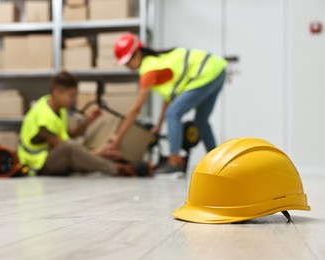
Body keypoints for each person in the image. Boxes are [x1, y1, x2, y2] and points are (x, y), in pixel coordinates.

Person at [108, 33, 227, 174]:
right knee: (201, 121)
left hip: (206, 73)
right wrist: (158, 127)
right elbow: (169, 99)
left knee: (174, 114)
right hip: (218, 70)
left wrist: (118, 138)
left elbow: (136, 109)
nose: (127, 66)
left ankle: (174, 162)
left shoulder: (148, 70)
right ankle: (218, 163)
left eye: (128, 61)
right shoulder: (157, 61)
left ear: (138, 53)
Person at [17, 71, 150, 177]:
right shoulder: (43, 116)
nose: (74, 100)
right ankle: (117, 170)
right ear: (57, 92)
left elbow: (69, 135)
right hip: (38, 167)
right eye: (71, 96)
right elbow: (65, 148)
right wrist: (98, 153)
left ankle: (122, 164)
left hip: (51, 158)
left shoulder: (58, 109)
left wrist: (87, 122)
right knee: (72, 147)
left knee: (78, 147)